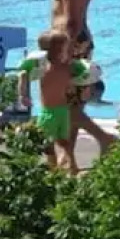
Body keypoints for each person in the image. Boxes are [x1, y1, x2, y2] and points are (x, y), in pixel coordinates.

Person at [41, 0, 116, 156]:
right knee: (72, 104)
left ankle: (104, 138)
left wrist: (66, 52)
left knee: (58, 104)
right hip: (73, 40)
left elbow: (72, 19)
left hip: (69, 42)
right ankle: (68, 160)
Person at [30, 30, 82, 173]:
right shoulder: (63, 68)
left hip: (51, 112)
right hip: (61, 111)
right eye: (63, 48)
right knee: (61, 144)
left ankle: (57, 170)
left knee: (50, 145)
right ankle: (68, 167)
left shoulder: (45, 68)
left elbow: (24, 73)